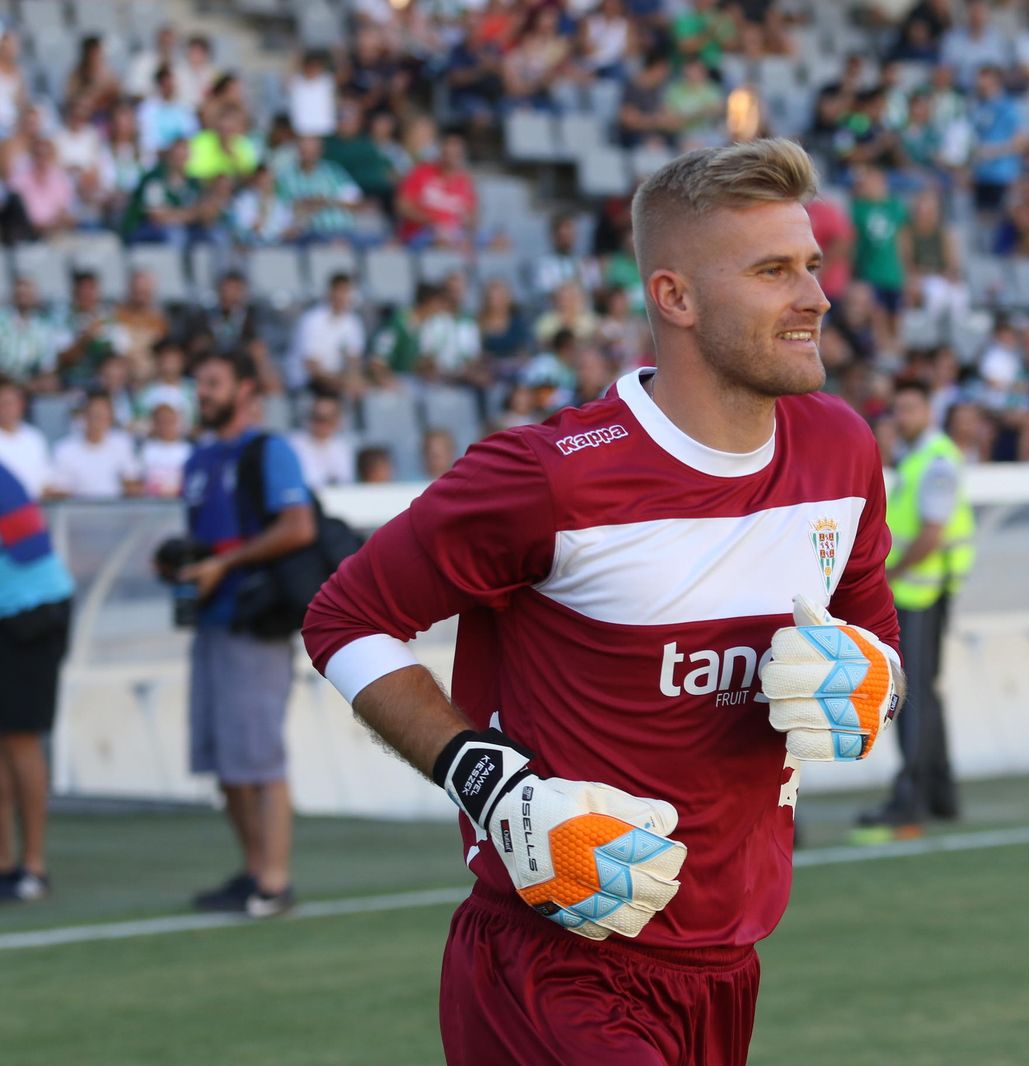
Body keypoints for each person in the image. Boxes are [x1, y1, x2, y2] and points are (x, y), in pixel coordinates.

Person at [300, 139, 901, 1065]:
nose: (816, 298)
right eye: (774, 271)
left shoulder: (841, 450)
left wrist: (873, 684)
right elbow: (344, 618)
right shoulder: (546, 478)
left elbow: (875, 638)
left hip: (728, 963)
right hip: (554, 968)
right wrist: (493, 787)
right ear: (677, 298)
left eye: (812, 266)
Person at [167, 349, 315, 917]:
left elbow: (297, 526)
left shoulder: (269, 450)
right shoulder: (198, 459)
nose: (201, 392)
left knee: (258, 757)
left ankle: (274, 882)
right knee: (224, 760)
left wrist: (223, 568)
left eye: (212, 382)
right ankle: (254, 870)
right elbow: (208, 540)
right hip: (210, 621)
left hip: (254, 623)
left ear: (246, 391)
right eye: (197, 381)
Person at [859, 378, 971, 831]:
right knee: (926, 693)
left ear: (928, 412)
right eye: (897, 410)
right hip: (923, 592)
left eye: (909, 409)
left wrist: (888, 577)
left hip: (918, 594)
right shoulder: (923, 458)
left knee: (913, 698)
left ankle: (913, 796)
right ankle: (939, 793)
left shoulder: (935, 462)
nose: (901, 418)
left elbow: (931, 532)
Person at [0, 457, 74, 902]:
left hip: (31, 613)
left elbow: (27, 543)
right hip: (13, 611)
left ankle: (33, 866)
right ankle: (6, 863)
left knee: (20, 739)